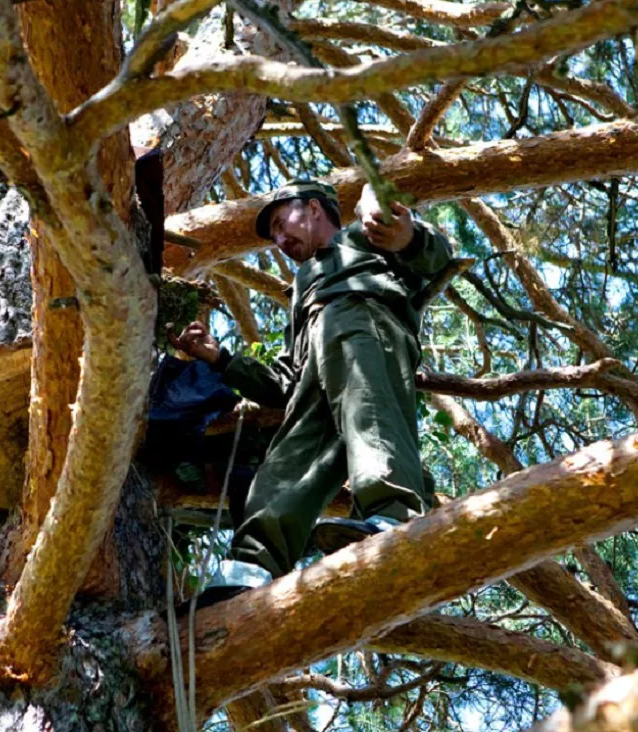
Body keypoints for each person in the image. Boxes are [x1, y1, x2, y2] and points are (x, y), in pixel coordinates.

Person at [172, 179, 452, 597]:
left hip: (364, 324)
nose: (281, 239)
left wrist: (406, 234)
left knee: (370, 411)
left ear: (317, 209)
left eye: (284, 224)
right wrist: (220, 360)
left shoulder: (365, 234)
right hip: (311, 372)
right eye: (275, 236)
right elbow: (283, 382)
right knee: (288, 459)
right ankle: (254, 563)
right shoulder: (303, 288)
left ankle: (393, 515)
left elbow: (435, 257)